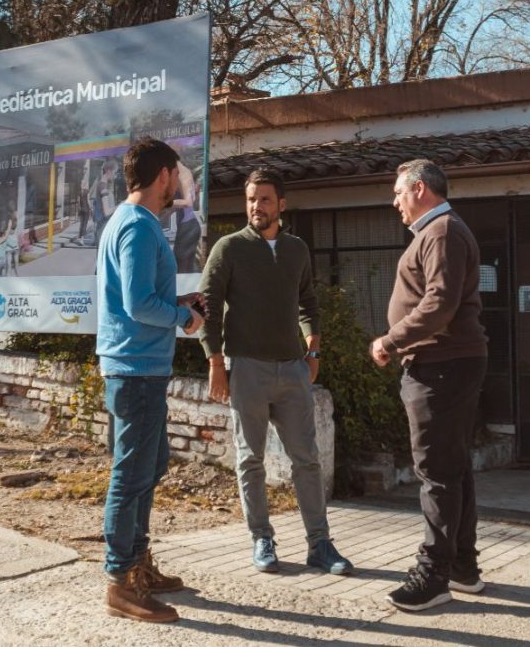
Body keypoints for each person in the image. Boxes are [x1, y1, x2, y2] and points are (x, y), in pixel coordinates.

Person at [199, 168, 353, 577]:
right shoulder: (228, 249)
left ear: (281, 205)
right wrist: (216, 362)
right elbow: (209, 309)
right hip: (247, 368)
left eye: (265, 199)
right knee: (251, 460)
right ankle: (261, 539)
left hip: (293, 370)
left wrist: (313, 348)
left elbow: (308, 302)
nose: (256, 206)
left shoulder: (297, 250)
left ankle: (320, 544)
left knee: (307, 460)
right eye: (251, 199)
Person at [369, 158, 488, 612]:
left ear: (419, 189)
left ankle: (434, 574)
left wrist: (390, 339)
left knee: (437, 472)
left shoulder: (441, 232)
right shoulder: (440, 232)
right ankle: (461, 567)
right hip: (447, 363)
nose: (395, 202)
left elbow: (440, 304)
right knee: (452, 468)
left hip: (441, 365)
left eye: (399, 193)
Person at [96, 137, 204, 624]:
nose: (179, 183)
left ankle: (138, 562)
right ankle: (121, 581)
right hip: (135, 369)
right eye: (177, 175)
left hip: (140, 367)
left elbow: (137, 299)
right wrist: (183, 319)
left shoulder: (129, 223)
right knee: (131, 474)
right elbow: (139, 305)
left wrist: (182, 306)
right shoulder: (138, 227)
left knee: (150, 464)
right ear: (163, 175)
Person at [171, 159, 201, 273]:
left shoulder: (183, 175)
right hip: (187, 225)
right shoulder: (182, 174)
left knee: (181, 268)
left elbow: (188, 202)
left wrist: (165, 203)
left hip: (188, 226)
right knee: (185, 268)